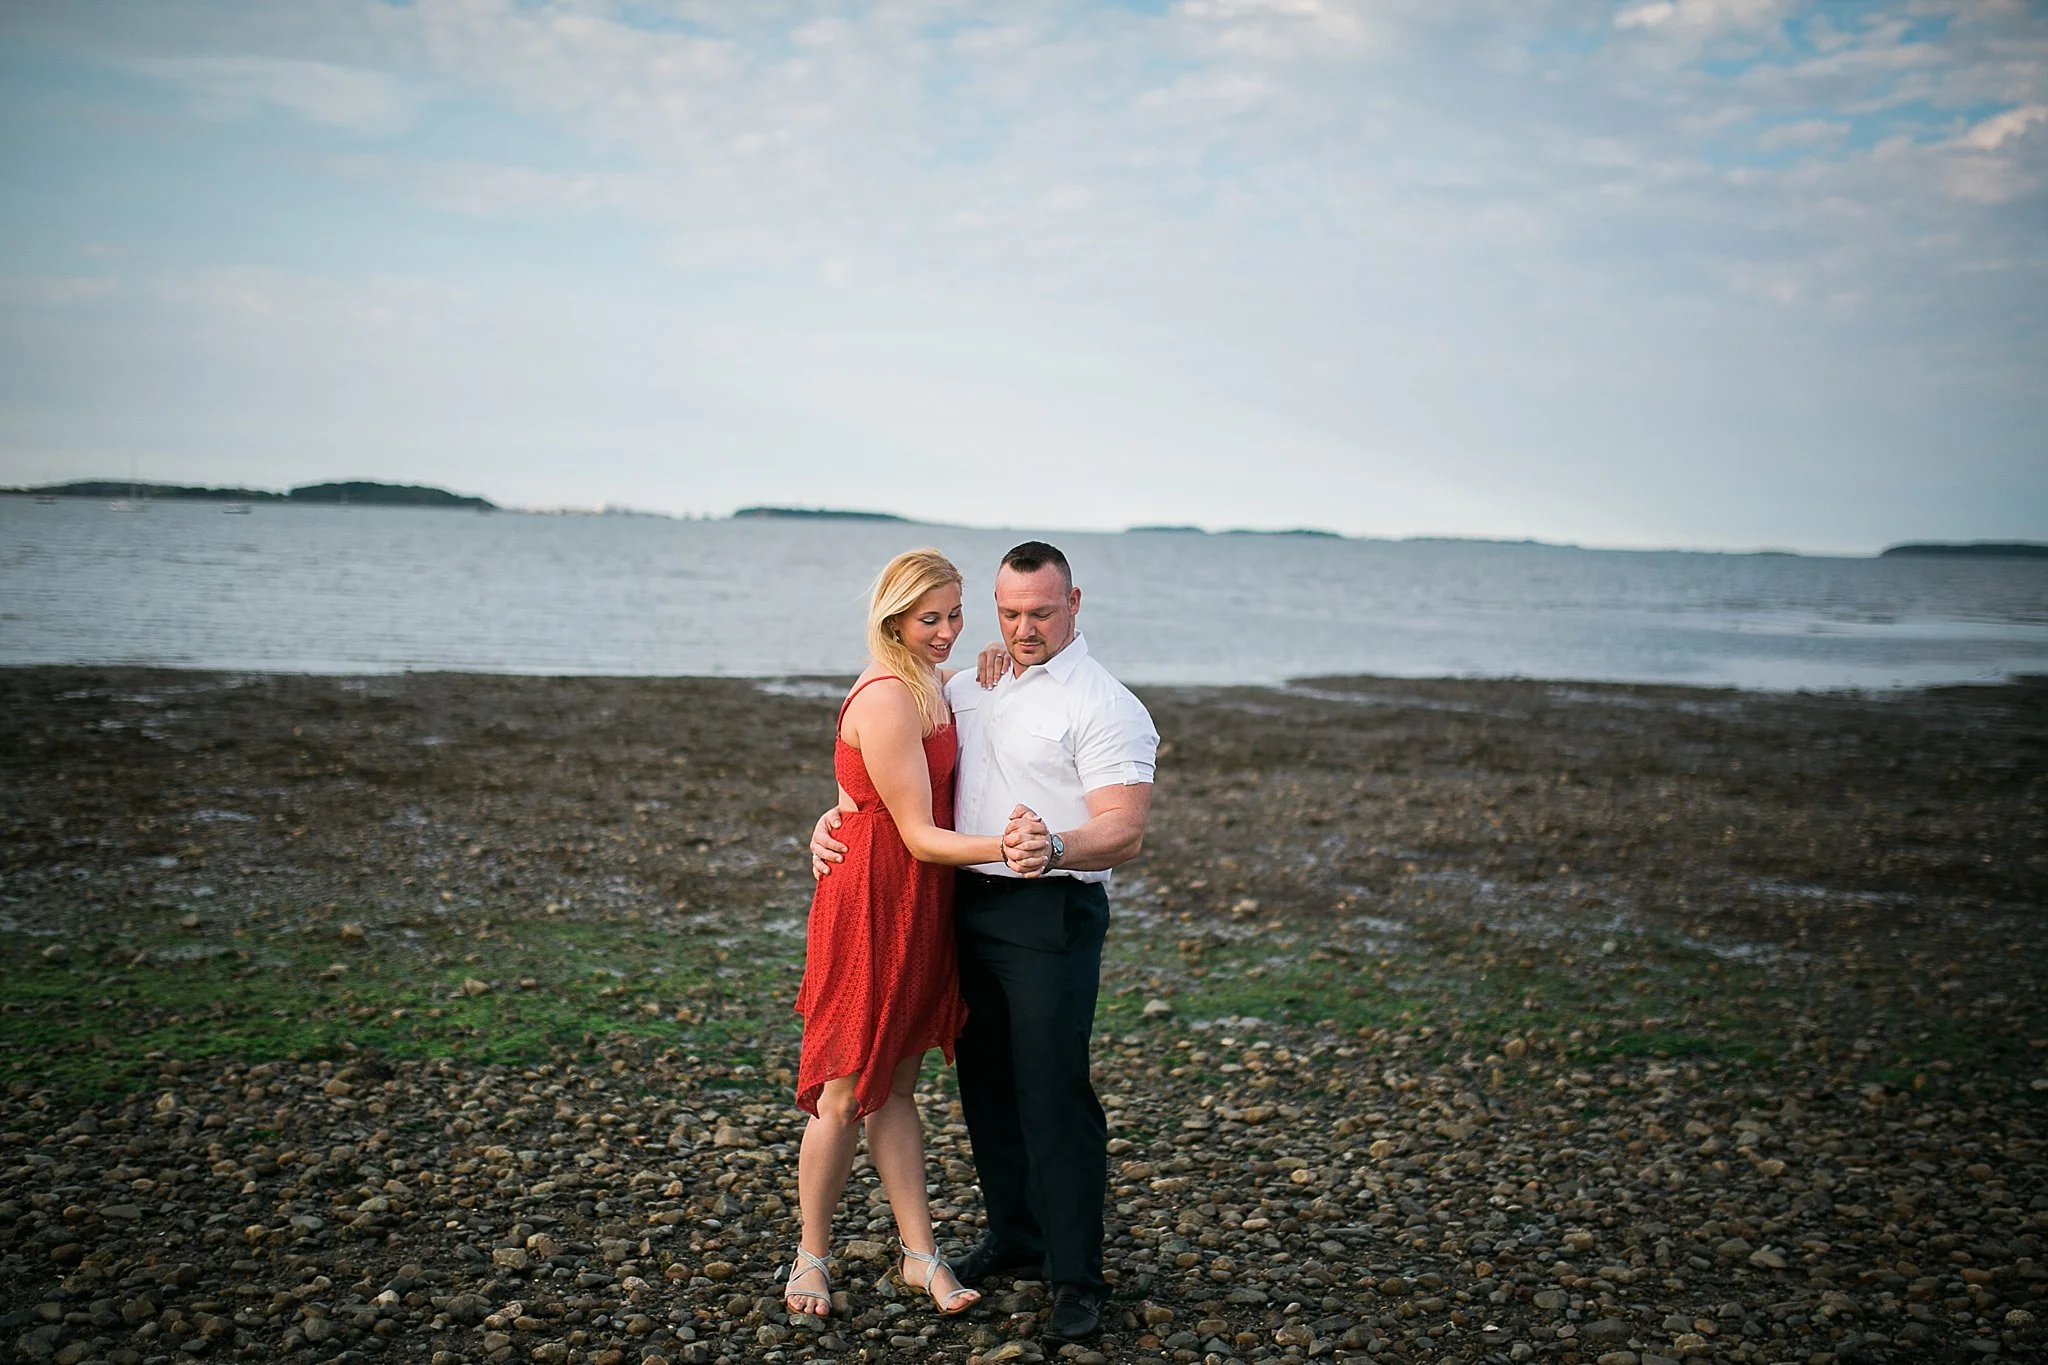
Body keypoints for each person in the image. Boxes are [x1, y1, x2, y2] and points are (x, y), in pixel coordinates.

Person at [813, 540, 1158, 1344]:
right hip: (961, 904)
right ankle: (1015, 1237)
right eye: (1009, 612)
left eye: (1040, 611)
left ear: (1076, 603)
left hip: (1050, 916)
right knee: (986, 1088)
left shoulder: (1106, 705)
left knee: (1053, 1092)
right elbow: (886, 773)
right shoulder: (968, 685)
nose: (1024, 626)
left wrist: (1057, 848)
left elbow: (1125, 831)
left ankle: (1076, 1275)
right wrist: (833, 818)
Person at [786, 548, 1048, 1321]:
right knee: (841, 1090)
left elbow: (849, 791)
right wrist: (1013, 846)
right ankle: (811, 1257)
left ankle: (918, 1254)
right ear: (893, 617)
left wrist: (994, 663)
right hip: (873, 900)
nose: (946, 630)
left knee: (897, 1088)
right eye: (929, 618)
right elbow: (919, 833)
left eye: (955, 614)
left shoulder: (932, 681)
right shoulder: (891, 695)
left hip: (915, 898)